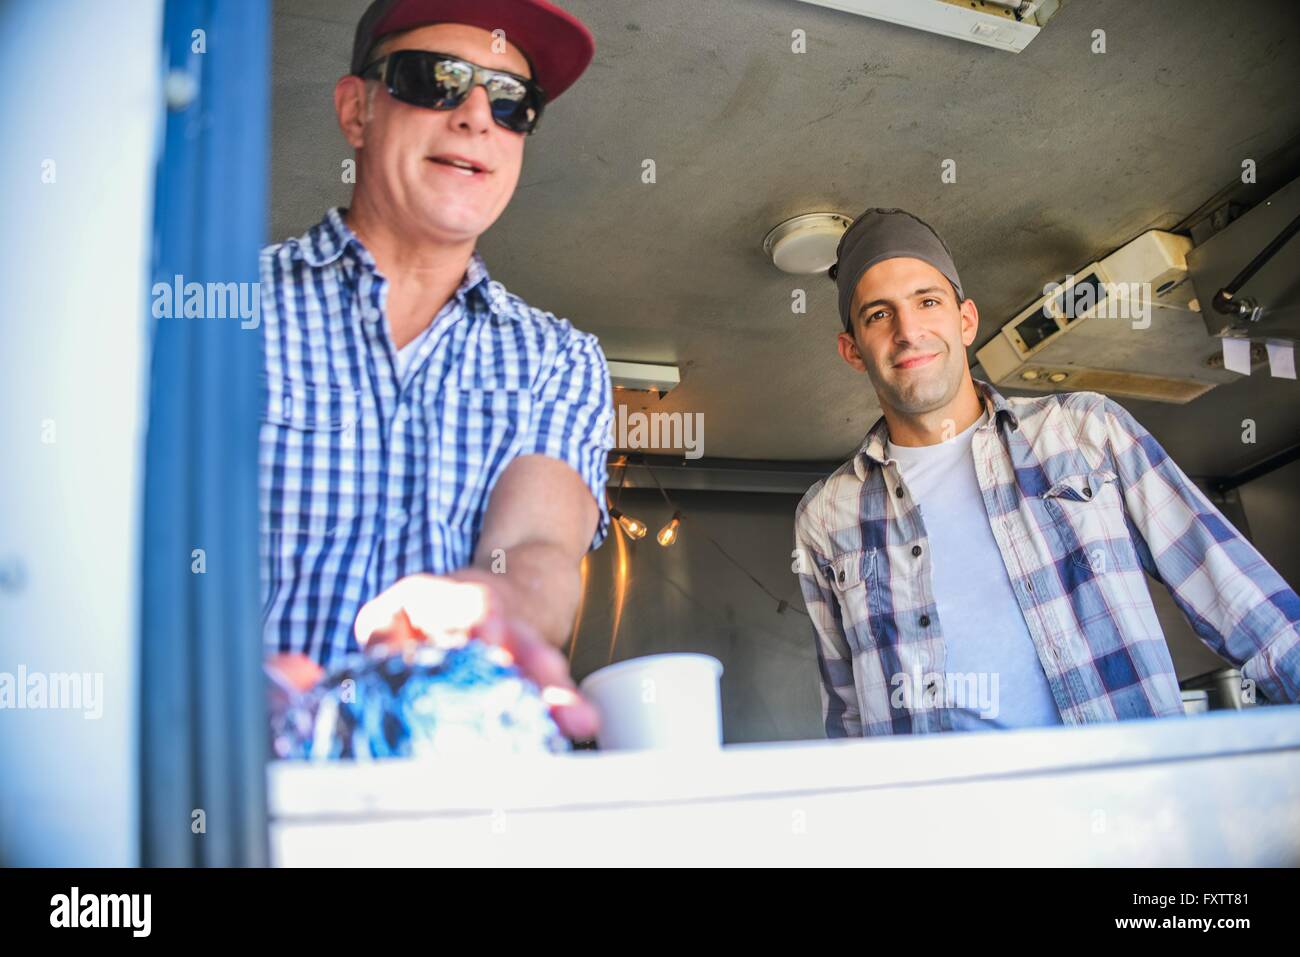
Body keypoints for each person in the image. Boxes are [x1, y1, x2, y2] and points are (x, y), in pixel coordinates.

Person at [795, 207, 1300, 737]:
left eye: (927, 301)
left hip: (1125, 803)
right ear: (852, 350)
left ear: (965, 320)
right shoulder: (826, 516)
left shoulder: (1086, 431)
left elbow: (1242, 599)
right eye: (879, 314)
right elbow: (847, 718)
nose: (908, 331)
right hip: (939, 819)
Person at [261, 0, 610, 738]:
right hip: (226, 793)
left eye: (513, 100)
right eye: (436, 79)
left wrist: (496, 600)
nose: (478, 116)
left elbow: (542, 548)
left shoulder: (559, 357)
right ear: (357, 112)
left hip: (458, 796)